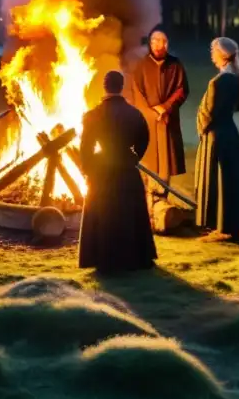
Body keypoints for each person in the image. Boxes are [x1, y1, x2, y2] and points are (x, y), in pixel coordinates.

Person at [77, 70, 157, 273]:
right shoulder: (134, 113)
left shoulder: (92, 115)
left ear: (105, 87)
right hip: (126, 170)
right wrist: (132, 157)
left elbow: (85, 147)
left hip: (102, 171)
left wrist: (88, 168)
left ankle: (104, 259)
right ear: (121, 87)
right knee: (130, 213)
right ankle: (135, 257)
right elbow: (144, 140)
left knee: (103, 214)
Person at [194, 37, 239, 237]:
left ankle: (223, 226)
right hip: (228, 133)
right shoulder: (235, 78)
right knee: (229, 180)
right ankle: (230, 225)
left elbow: (210, 112)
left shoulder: (220, 81)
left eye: (213, 52)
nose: (211, 56)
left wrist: (202, 127)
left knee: (220, 181)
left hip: (217, 137)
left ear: (221, 54)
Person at [129, 26, 189, 209]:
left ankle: (162, 198)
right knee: (147, 160)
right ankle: (146, 198)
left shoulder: (175, 65)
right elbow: (136, 91)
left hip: (167, 120)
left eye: (162, 41)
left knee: (165, 161)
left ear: (167, 44)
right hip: (147, 122)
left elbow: (182, 90)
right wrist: (149, 112)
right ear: (150, 43)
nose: (158, 45)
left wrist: (165, 107)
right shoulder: (141, 65)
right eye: (154, 41)